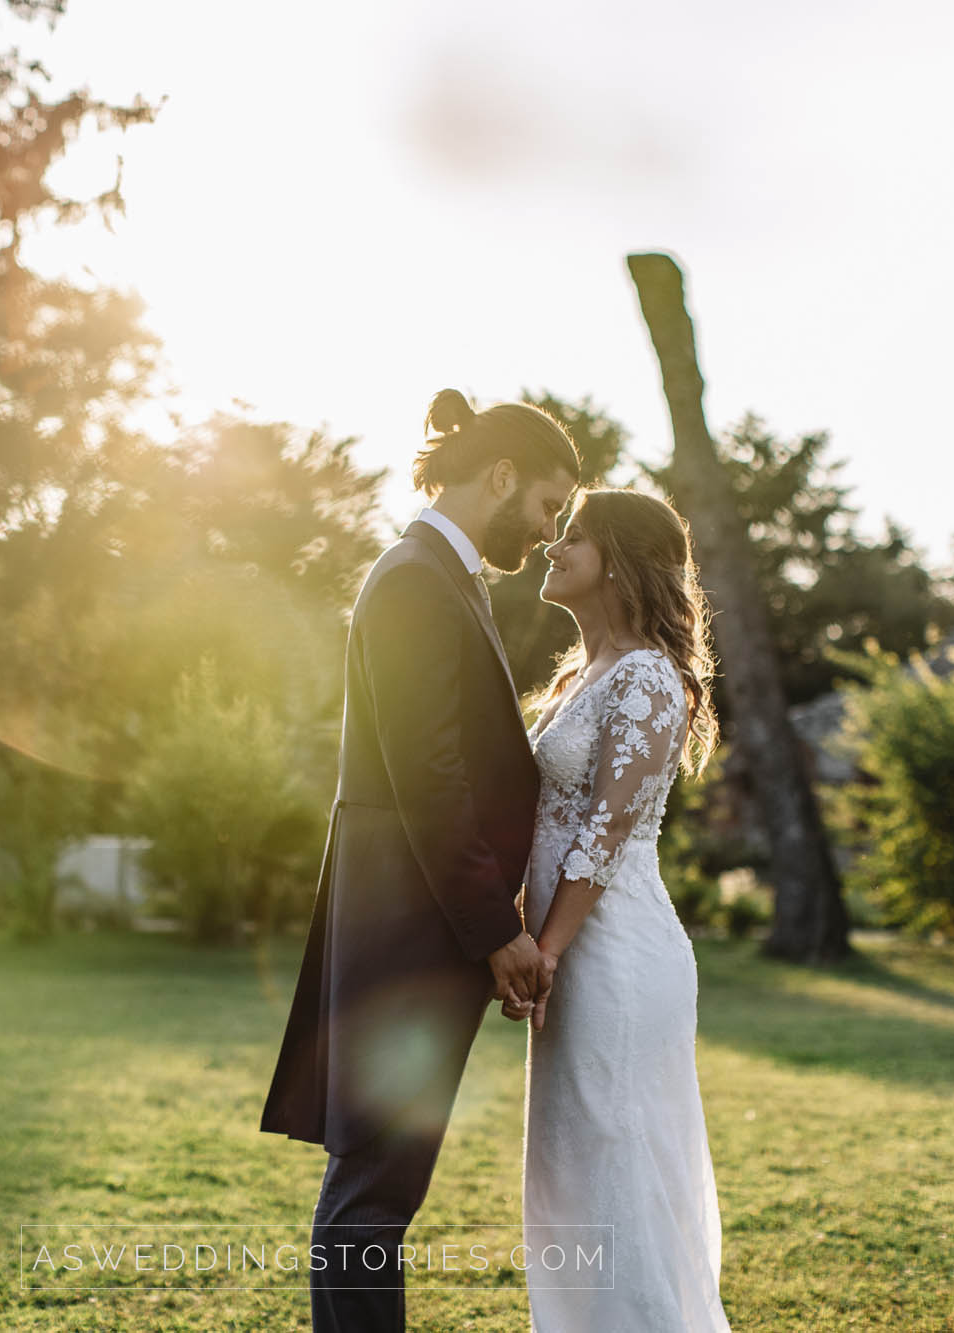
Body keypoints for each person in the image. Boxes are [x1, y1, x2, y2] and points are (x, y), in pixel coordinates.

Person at [259, 387, 580, 1333]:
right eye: (548, 505)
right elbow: (428, 775)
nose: (548, 528)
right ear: (503, 473)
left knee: (380, 1187)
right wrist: (497, 929)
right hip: (412, 929)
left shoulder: (442, 574)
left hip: (416, 924)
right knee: (374, 1187)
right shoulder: (412, 579)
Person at [514, 487, 732, 1330]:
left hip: (614, 960)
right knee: (572, 1173)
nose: (551, 548)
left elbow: (601, 834)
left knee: (618, 1172)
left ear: (620, 559)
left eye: (572, 537)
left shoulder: (645, 676)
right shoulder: (583, 676)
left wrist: (547, 951)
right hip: (570, 954)